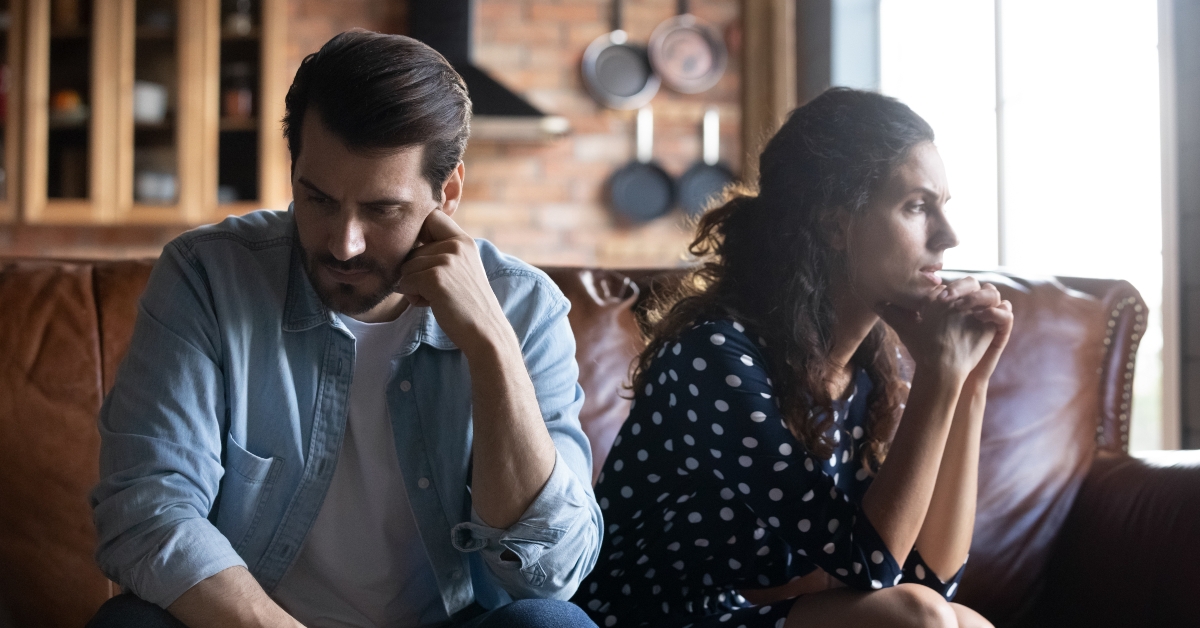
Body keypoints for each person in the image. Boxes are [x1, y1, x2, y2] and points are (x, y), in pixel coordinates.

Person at [88, 31, 600, 628]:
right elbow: (148, 508)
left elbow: (551, 573)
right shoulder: (209, 275)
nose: (343, 243)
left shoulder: (524, 307)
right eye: (319, 200)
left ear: (448, 192)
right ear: (294, 170)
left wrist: (491, 347)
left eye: (383, 209)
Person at [573, 88, 1012, 628]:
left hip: (737, 616)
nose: (948, 236)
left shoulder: (865, 369)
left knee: (961, 620)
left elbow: (930, 579)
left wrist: (970, 385)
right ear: (834, 223)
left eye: (943, 207)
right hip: (648, 621)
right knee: (920, 620)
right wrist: (939, 379)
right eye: (917, 206)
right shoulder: (715, 358)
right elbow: (871, 566)